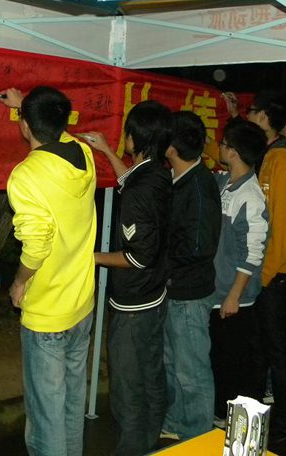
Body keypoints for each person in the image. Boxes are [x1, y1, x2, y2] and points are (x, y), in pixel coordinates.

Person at [0, 86, 97, 456]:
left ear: (25, 126)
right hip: (82, 305)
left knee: (45, 416)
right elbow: (57, 132)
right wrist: (25, 107)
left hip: (47, 313)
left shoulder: (26, 175)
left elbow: (37, 244)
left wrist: (19, 282)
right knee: (71, 402)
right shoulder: (83, 154)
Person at [80, 100, 172, 456]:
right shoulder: (159, 172)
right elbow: (130, 181)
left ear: (135, 137)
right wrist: (105, 150)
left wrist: (89, 257)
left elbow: (137, 256)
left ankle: (133, 448)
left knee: (128, 387)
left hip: (133, 303)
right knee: (151, 375)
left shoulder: (139, 191)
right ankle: (150, 442)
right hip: (155, 295)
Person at [241, 90, 286, 441]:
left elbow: (285, 226)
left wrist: (263, 277)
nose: (248, 116)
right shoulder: (266, 154)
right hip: (260, 272)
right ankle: (251, 423)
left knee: (275, 350)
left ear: (265, 116)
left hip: (272, 275)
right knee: (257, 350)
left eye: (251, 111)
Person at [159, 111, 221, 441]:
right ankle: (177, 422)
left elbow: (198, 247)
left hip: (189, 292)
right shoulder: (182, 177)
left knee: (191, 370)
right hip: (176, 288)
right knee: (173, 363)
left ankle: (197, 435)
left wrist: (158, 260)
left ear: (171, 147)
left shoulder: (197, 187)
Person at [209, 119, 269, 427]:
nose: (218, 147)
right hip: (220, 292)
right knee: (222, 359)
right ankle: (224, 416)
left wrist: (234, 295)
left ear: (233, 151)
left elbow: (253, 253)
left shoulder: (251, 196)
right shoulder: (226, 183)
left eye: (223, 143)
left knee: (235, 362)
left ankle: (237, 425)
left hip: (235, 298)